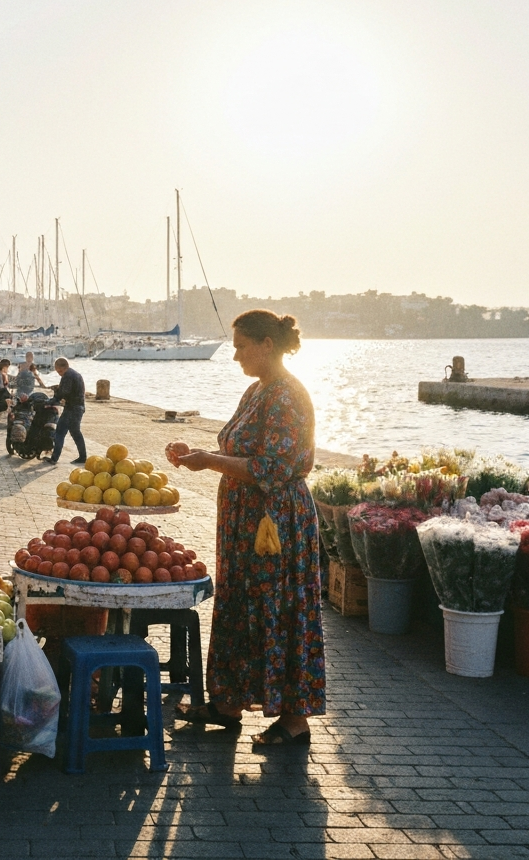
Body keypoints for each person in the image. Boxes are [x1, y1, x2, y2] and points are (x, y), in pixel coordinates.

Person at [167, 309, 324, 747]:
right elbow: (235, 446)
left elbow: (271, 467)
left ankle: (295, 720)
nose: (235, 355)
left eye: (240, 346)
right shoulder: (257, 391)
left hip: (276, 527)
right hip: (244, 525)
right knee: (239, 605)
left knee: (280, 608)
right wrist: (196, 450)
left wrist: (209, 461)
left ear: (266, 345)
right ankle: (228, 703)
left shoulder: (287, 396)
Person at [47, 356, 87, 465]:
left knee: (60, 431)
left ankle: (54, 458)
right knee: (75, 432)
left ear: (65, 367)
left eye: (59, 371)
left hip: (72, 408)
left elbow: (64, 392)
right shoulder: (76, 374)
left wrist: (53, 398)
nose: (59, 373)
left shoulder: (67, 376)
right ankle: (83, 457)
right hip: (79, 407)